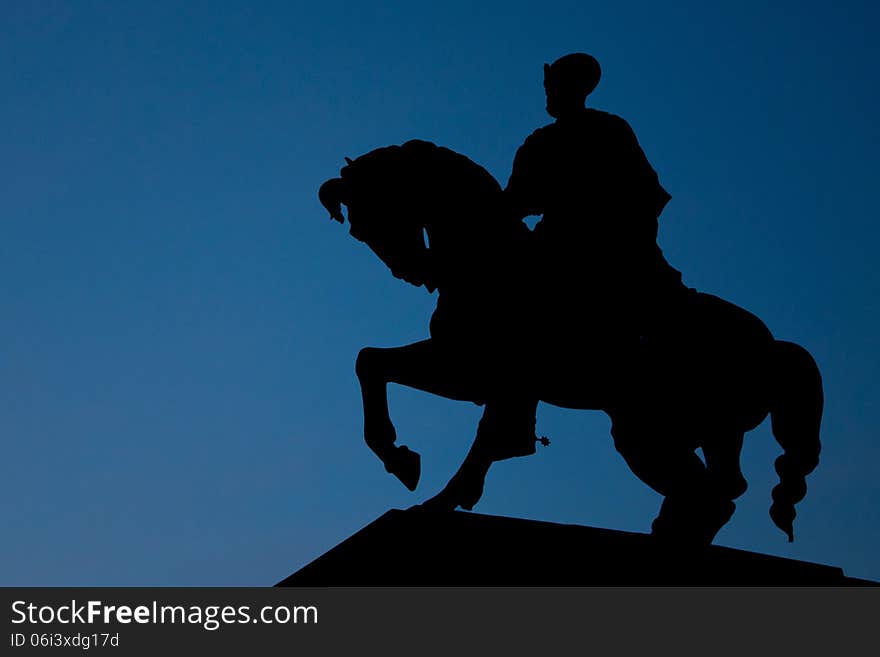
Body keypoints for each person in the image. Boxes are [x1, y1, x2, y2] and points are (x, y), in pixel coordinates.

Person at [505, 53, 688, 351]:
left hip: (612, 247)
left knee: (648, 305)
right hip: (551, 244)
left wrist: (620, 234)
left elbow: (645, 191)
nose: (549, 94)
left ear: (578, 88)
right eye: (548, 88)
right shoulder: (537, 143)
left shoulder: (610, 129)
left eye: (555, 86)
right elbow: (514, 203)